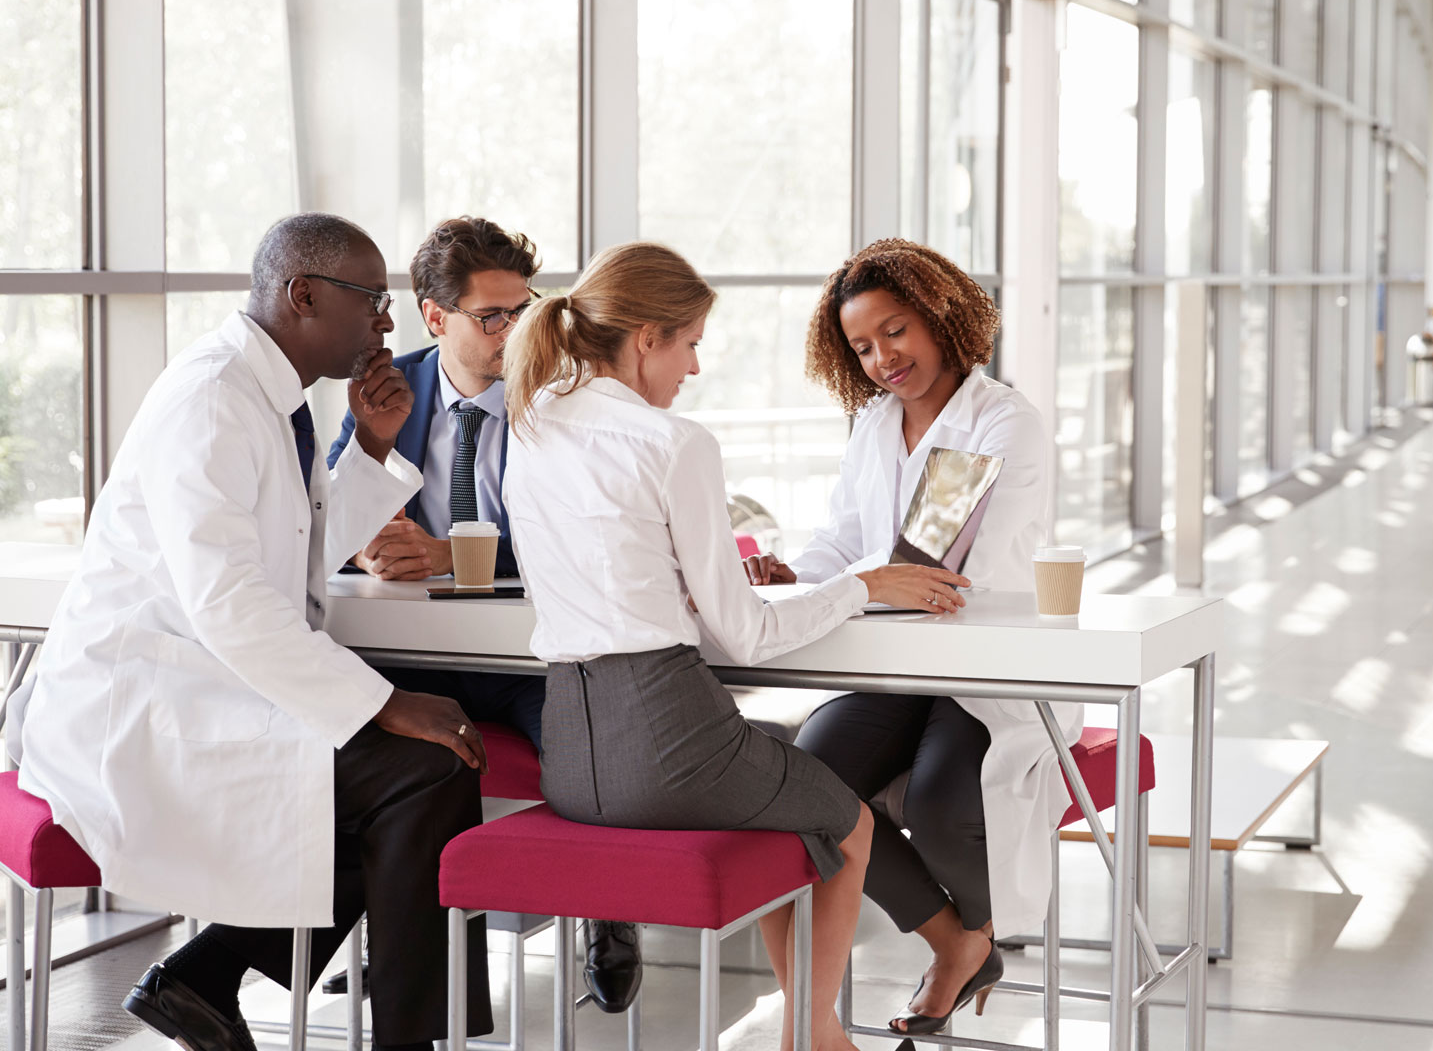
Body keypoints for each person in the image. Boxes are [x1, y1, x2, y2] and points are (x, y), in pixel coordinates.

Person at [5, 213, 492, 1051]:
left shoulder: (269, 396)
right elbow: (228, 601)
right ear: (303, 294)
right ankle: (385, 1029)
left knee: (423, 775)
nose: (387, 322)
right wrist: (382, 702)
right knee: (422, 771)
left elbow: (291, 551)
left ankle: (208, 977)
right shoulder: (213, 398)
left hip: (211, 688)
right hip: (146, 710)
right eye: (373, 300)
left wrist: (372, 450)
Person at [502, 241, 969, 1051]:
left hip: (573, 754)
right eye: (689, 345)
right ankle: (813, 1036)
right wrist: (866, 586)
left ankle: (820, 1031)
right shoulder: (673, 441)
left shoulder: (533, 420)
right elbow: (745, 634)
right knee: (846, 819)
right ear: (646, 337)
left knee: (791, 776)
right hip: (668, 739)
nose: (691, 369)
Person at [743, 237, 1084, 1037]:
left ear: (939, 315)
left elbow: (943, 566)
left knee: (939, 804)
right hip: (894, 655)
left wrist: (848, 586)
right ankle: (957, 943)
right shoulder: (873, 422)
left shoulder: (1002, 423)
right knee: (809, 785)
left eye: (894, 331)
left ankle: (973, 937)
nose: (881, 358)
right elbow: (847, 537)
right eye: (861, 346)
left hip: (980, 661)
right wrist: (795, 573)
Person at [323, 215, 640, 1010]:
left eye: (521, 310)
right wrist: (365, 544)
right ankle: (408, 942)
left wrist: (456, 555)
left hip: (537, 653)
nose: (512, 331)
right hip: (421, 655)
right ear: (436, 318)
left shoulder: (566, 396)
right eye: (490, 316)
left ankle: (608, 911)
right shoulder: (389, 389)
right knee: (355, 746)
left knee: (588, 756)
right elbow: (323, 520)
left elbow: (594, 539)